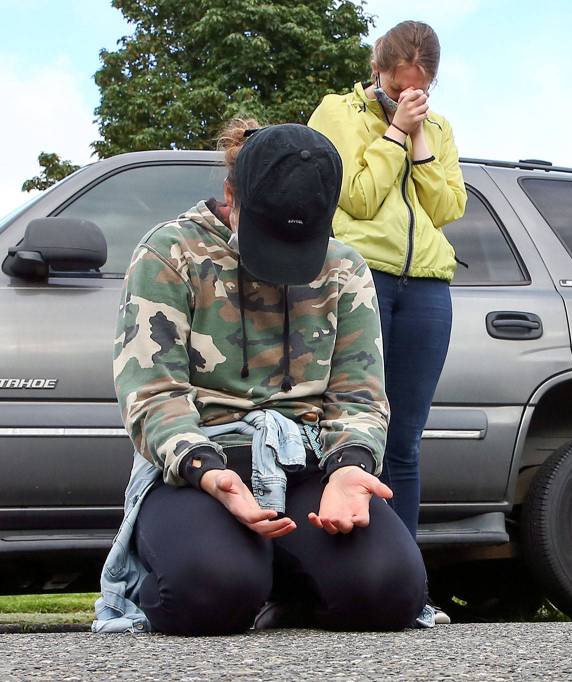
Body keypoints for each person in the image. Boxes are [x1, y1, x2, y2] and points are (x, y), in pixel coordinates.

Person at [93, 120, 427, 635]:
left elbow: (359, 394)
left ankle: (287, 585)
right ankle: (240, 573)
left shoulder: (345, 268)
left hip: (307, 460)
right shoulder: (171, 252)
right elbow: (151, 391)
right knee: (209, 595)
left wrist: (350, 467)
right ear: (231, 195)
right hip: (204, 468)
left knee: (390, 592)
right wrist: (207, 469)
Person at [308, 20, 466, 624]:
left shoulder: (441, 129)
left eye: (420, 89)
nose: (408, 96)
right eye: (398, 86)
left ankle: (405, 587)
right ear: (379, 68)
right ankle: (331, 580)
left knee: (404, 441)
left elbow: (446, 207)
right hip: (360, 277)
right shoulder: (338, 112)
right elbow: (355, 198)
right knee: (346, 431)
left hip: (427, 287)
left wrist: (422, 139)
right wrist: (395, 132)